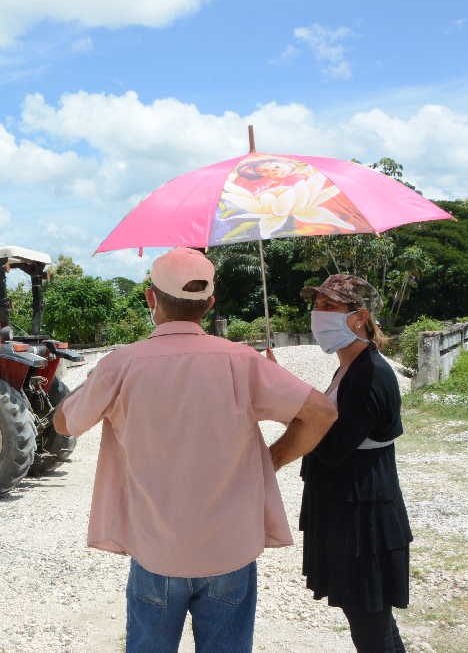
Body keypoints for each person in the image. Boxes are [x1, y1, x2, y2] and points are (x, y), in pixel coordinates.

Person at [54, 247, 338, 653]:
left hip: (156, 554)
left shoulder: (121, 364)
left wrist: (95, 381)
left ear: (152, 299)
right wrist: (269, 462)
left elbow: (65, 423)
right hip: (230, 551)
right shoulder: (242, 361)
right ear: (209, 303)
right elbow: (321, 413)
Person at [283, 274, 413, 652]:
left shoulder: (369, 375)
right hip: (348, 506)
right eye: (317, 305)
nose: (317, 314)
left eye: (329, 306)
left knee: (369, 621)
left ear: (359, 317)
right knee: (371, 617)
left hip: (364, 516)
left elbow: (330, 446)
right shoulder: (349, 369)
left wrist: (286, 400)